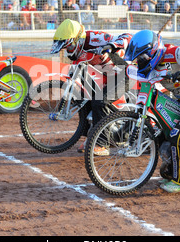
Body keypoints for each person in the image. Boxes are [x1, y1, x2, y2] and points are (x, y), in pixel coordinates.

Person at [124, 30, 180, 193]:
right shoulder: (151, 66)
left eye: (141, 58)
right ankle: (176, 168)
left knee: (178, 135)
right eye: (137, 59)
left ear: (152, 52)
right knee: (162, 131)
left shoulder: (174, 53)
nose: (139, 62)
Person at [50, 19, 132, 154]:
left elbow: (127, 37)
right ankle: (92, 137)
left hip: (126, 73)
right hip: (109, 76)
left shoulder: (94, 38)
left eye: (69, 47)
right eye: (66, 49)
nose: (68, 51)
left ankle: (103, 144)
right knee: (85, 97)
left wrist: (112, 45)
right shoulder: (78, 52)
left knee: (100, 101)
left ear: (77, 40)